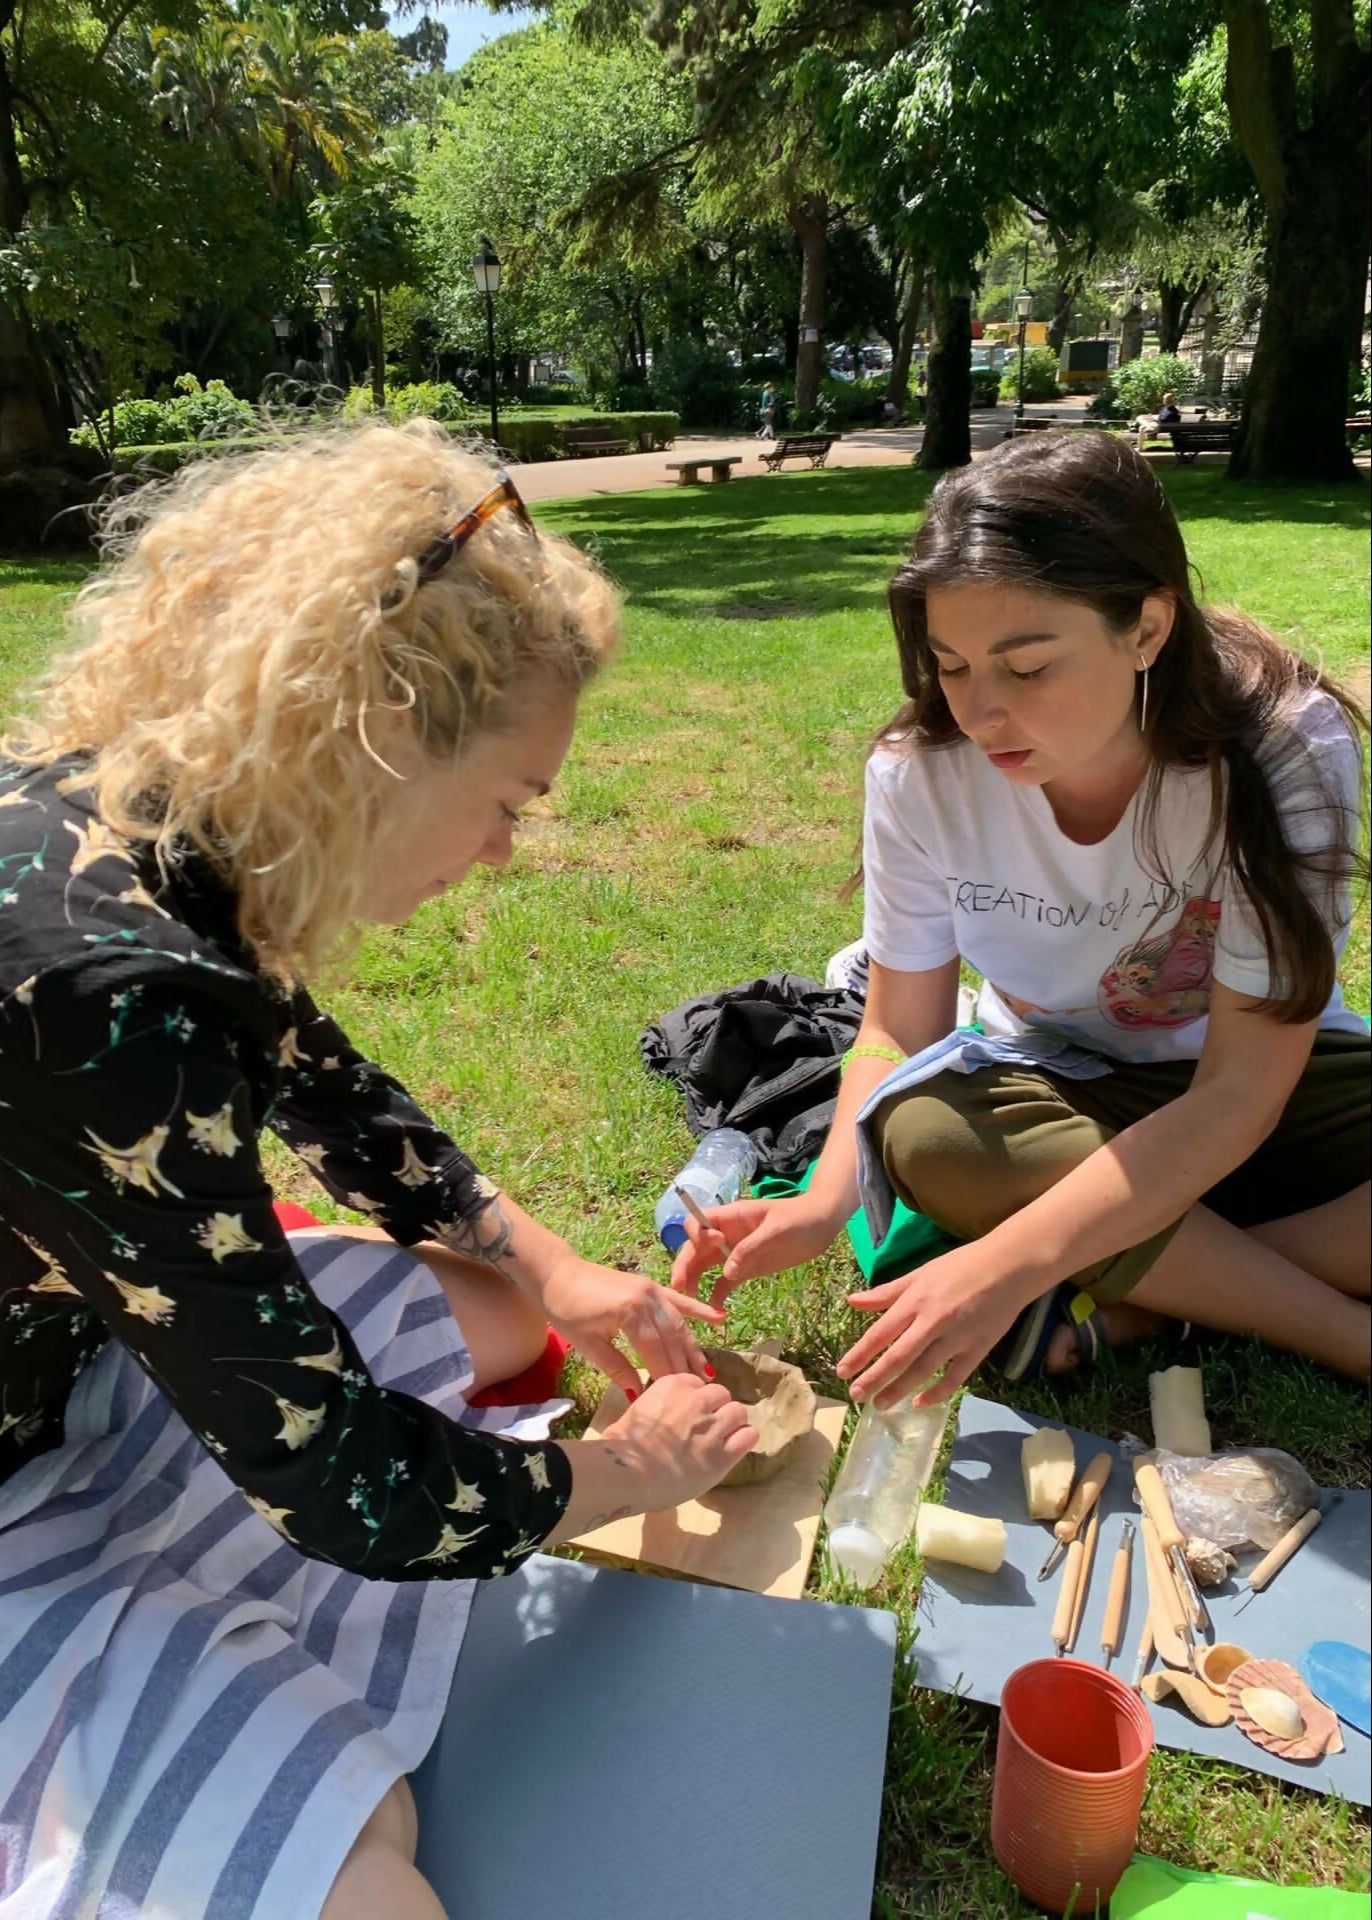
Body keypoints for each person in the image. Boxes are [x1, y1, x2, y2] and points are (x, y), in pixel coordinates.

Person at [0, 423, 756, 1920]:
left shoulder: (125, 818)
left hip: (58, 1358)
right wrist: (629, 1474)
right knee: (365, 1875)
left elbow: (327, 1088)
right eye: (510, 802)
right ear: (373, 736)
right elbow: (352, 1492)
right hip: (24, 1466)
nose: (503, 855)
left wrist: (554, 1267)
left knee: (492, 1322)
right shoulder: (101, 1001)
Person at [672, 432, 1370, 1410]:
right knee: (926, 1136)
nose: (980, 714)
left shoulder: (1283, 750)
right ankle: (1322, 1321)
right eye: (951, 665)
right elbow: (899, 1022)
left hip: (1254, 1091)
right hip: (1048, 1092)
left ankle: (1153, 1293)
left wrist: (1004, 1266)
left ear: (1147, 628)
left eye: (1027, 666)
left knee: (1113, 1177)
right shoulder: (918, 776)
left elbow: (1238, 1092)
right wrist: (827, 1203)